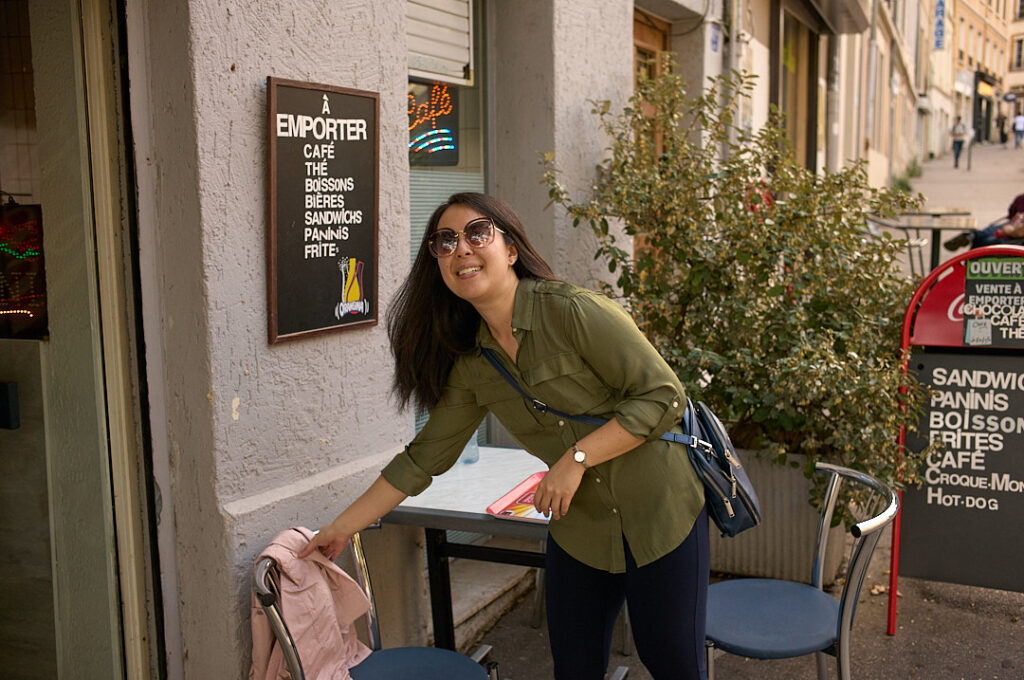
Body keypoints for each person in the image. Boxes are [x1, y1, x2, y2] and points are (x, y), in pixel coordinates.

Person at [300, 192, 709, 680]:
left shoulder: (573, 312)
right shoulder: (474, 364)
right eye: (445, 242)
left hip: (662, 515)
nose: (461, 249)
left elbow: (664, 397)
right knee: (574, 670)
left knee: (673, 664)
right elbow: (422, 460)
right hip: (580, 534)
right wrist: (341, 528)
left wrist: (575, 458)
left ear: (510, 249)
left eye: (477, 233)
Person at [944, 192, 1024, 250]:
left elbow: (1019, 232)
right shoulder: (1020, 198)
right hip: (1014, 226)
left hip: (1015, 236)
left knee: (985, 239)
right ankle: (973, 235)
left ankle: (972, 235)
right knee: (991, 230)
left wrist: (1009, 229)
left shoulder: (1020, 198)